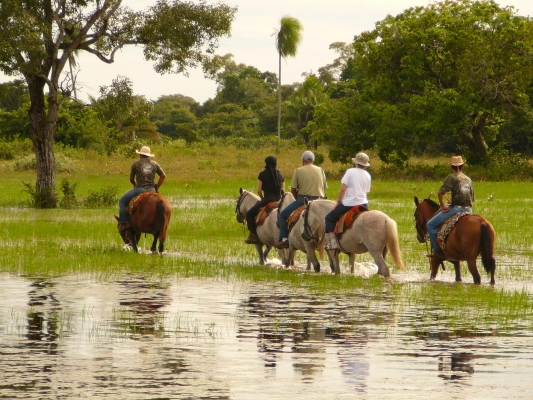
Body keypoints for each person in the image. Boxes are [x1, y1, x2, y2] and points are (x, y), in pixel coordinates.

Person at [275, 151, 327, 249]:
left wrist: (297, 200)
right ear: (313, 160)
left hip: (303, 199)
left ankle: (284, 239)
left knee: (283, 215)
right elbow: (324, 187)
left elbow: (293, 189)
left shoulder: (298, 170)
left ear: (303, 160)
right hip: (320, 200)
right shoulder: (321, 170)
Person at [427, 155, 474, 257]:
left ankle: (437, 252)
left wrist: (442, 205)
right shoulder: (469, 179)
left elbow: (440, 192)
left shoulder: (451, 178)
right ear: (463, 166)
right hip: (469, 210)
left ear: (452, 167)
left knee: (430, 225)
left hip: (456, 209)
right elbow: (471, 198)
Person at [324, 152, 371, 250]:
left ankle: (333, 242)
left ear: (356, 163)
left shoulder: (350, 171)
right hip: (363, 204)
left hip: (349, 203)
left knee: (329, 218)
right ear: (365, 165)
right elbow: (366, 191)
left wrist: (338, 202)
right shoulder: (367, 175)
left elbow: (343, 189)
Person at [117, 145, 166, 232]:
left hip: (139, 189)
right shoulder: (155, 164)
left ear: (140, 155)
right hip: (152, 190)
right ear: (149, 155)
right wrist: (157, 186)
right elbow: (163, 176)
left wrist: (135, 184)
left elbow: (131, 179)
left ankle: (124, 223)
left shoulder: (136, 164)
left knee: (122, 201)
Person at [244, 156, 285, 244]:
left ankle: (254, 235)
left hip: (267, 199)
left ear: (266, 163)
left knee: (249, 214)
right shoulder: (280, 175)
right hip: (279, 200)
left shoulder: (262, 174)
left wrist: (262, 198)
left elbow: (259, 190)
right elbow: (283, 191)